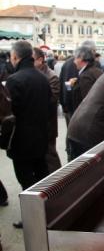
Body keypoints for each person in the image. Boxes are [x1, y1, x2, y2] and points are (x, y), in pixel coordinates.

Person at [6, 41, 51, 229]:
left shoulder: (14, 80)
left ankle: (32, 219)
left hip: (22, 139)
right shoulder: (42, 78)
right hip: (41, 136)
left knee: (26, 180)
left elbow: (11, 112)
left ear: (16, 57)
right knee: (41, 175)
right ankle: (46, 211)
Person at [33, 47, 62, 174]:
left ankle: (59, 183)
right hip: (37, 126)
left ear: (40, 60)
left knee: (50, 157)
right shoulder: (35, 74)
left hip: (48, 125)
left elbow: (51, 100)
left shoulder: (51, 76)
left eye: (31, 60)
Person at [71, 45, 103, 111]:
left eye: (75, 58)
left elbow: (87, 103)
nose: (74, 61)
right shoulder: (96, 70)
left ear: (81, 58)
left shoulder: (86, 76)